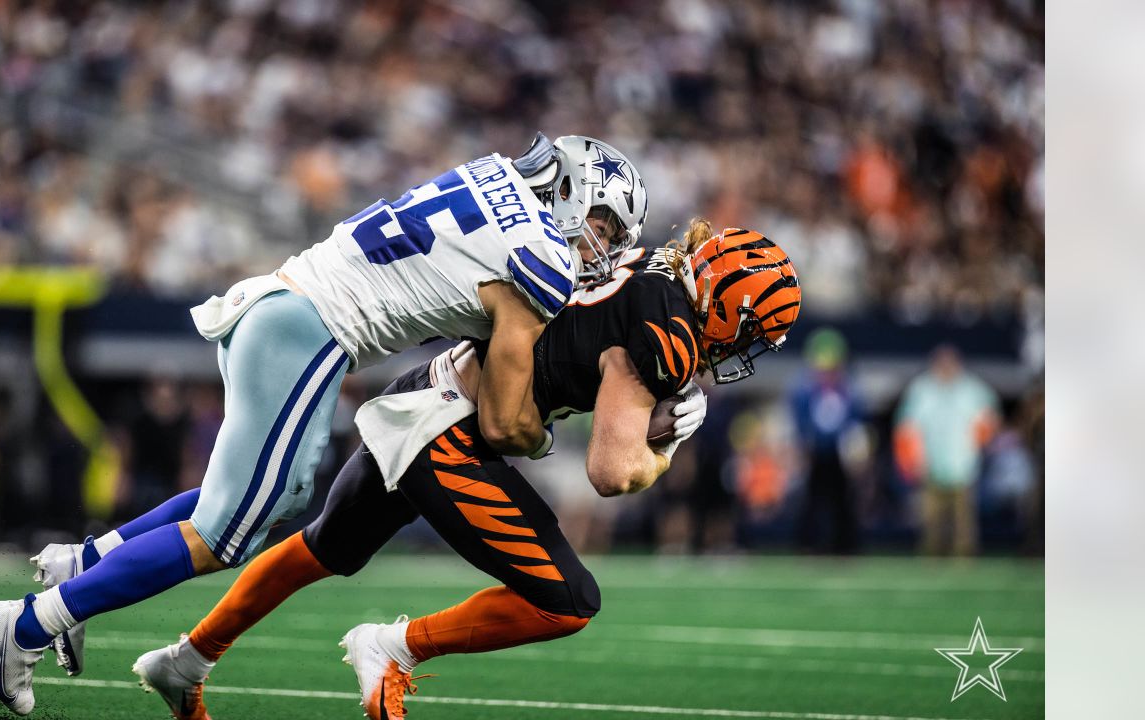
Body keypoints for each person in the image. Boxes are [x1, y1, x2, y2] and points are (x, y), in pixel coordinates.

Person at [0, 133, 648, 716]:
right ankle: (31, 624)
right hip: (308, 330)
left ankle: (83, 562)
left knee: (269, 500)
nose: (601, 245)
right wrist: (548, 429)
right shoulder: (543, 257)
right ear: (568, 188)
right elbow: (502, 423)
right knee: (225, 535)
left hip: (284, 307)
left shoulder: (495, 177)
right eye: (605, 224)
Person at [130, 221, 802, 720]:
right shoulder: (669, 331)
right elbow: (610, 471)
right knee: (568, 601)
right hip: (452, 433)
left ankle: (185, 660)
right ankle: (396, 645)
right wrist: (665, 447)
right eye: (749, 334)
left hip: (431, 386)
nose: (740, 350)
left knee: (324, 546)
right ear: (725, 309)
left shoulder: (642, 263)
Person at [893, 345, 999, 556]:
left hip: (963, 464)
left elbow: (989, 422)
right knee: (931, 522)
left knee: (963, 523)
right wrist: (911, 460)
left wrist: (979, 448)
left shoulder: (973, 390)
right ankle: (932, 559)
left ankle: (963, 561)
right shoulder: (921, 390)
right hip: (930, 464)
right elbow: (907, 427)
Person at [789, 328, 867, 554]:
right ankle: (809, 545)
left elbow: (855, 420)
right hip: (816, 452)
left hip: (840, 454)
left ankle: (844, 547)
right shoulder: (805, 389)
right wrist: (803, 445)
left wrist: (856, 449)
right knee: (812, 501)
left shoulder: (848, 389)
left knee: (843, 501)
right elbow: (801, 418)